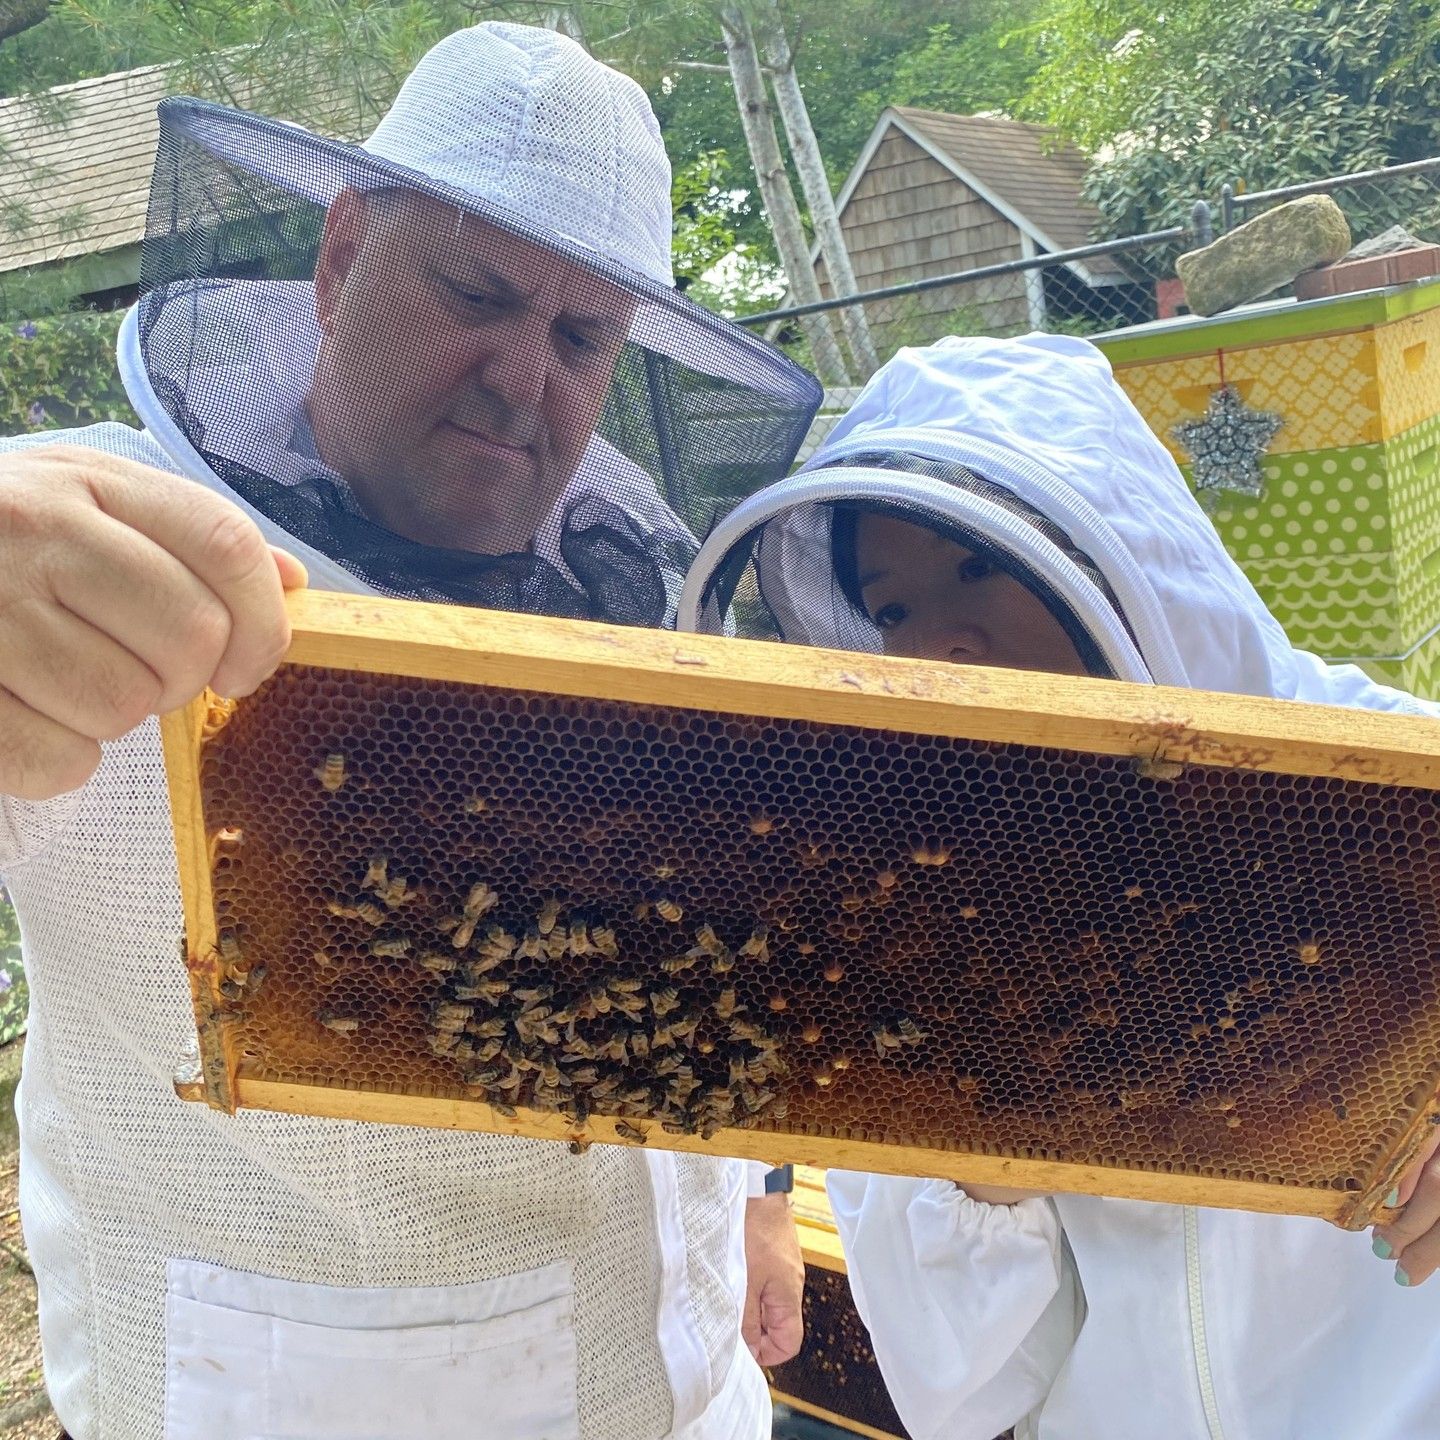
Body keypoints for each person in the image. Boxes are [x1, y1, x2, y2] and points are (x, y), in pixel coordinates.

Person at [0, 23, 820, 1440]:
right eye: (476, 295)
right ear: (340, 262)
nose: (522, 377)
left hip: (701, 1395)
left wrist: (759, 1196)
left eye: (580, 338)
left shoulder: (652, 594)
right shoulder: (100, 546)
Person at [677, 333, 1440, 1439]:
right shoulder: (912, 900)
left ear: (1115, 551)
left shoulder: (1396, 787)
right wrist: (988, 1113)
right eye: (892, 613)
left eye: (977, 568)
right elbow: (964, 1392)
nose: (939, 645)